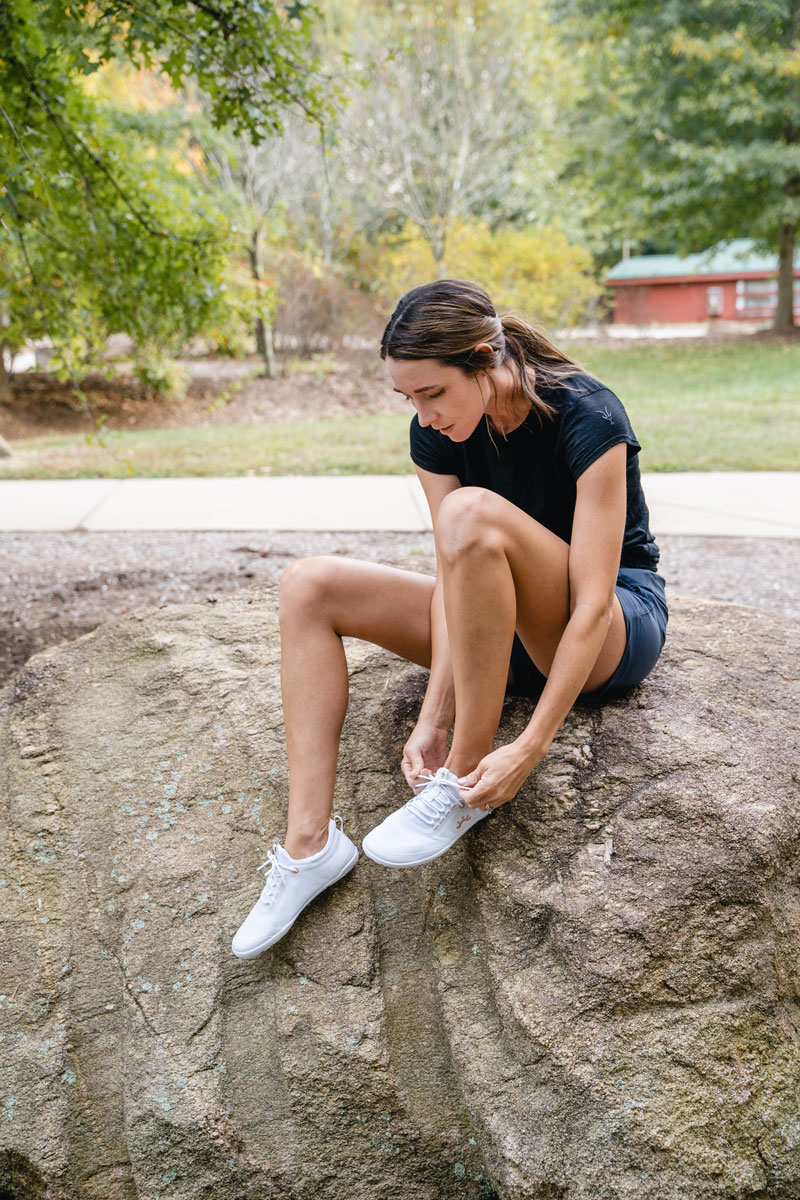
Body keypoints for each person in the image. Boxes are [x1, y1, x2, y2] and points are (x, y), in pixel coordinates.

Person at [231, 279, 668, 959]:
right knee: (307, 585)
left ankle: (463, 786)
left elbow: (588, 604)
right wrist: (432, 712)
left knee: (471, 512)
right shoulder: (434, 435)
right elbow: (452, 577)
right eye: (408, 398)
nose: (423, 415)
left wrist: (527, 749)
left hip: (602, 627)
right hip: (497, 623)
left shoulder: (589, 415)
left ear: (485, 356)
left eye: (432, 393)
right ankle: (309, 845)